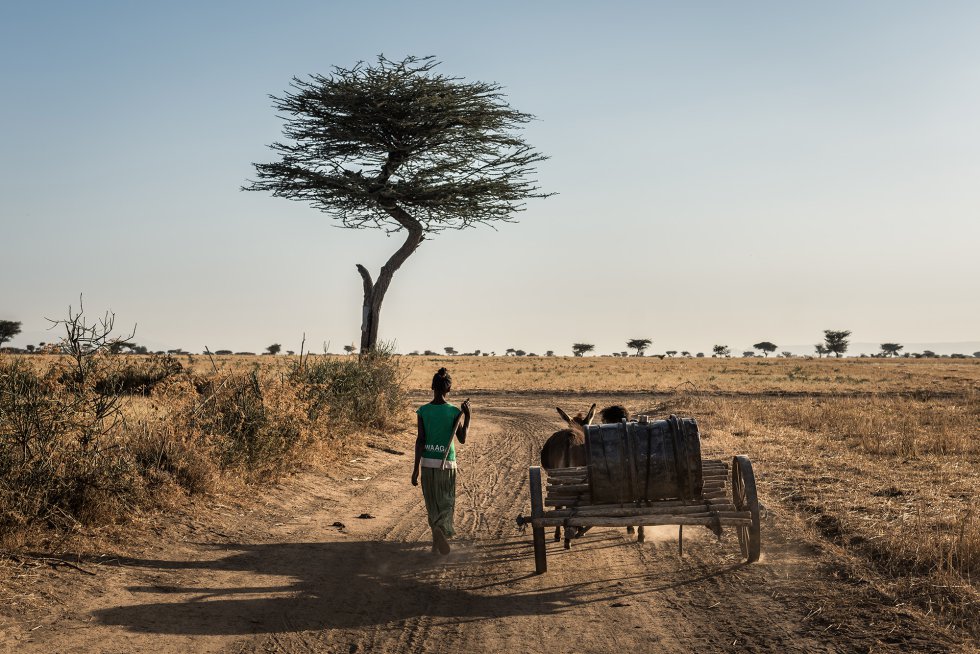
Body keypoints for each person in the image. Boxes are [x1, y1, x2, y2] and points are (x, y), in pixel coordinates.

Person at [412, 367, 471, 555]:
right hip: (447, 465)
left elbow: (420, 441)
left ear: (432, 387)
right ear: (449, 390)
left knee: (433, 505)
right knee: (446, 503)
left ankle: (435, 545)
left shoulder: (423, 411)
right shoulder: (454, 412)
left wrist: (415, 470)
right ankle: (439, 531)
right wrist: (467, 416)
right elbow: (462, 438)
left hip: (427, 465)